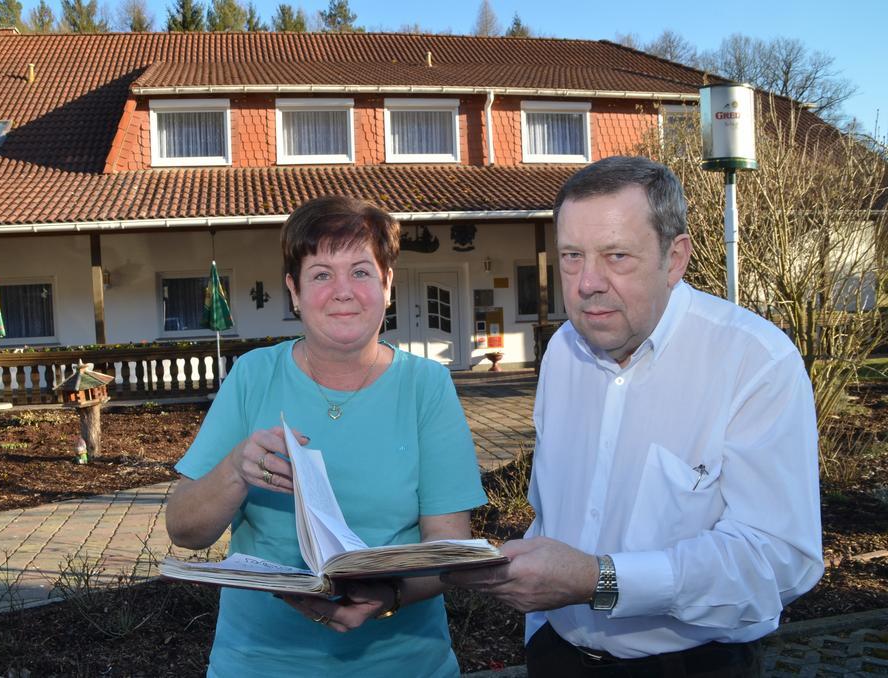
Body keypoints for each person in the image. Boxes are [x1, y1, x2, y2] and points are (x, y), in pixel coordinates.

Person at [446, 156, 823, 676]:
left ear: (675, 258)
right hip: (556, 654)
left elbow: (779, 561)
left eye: (616, 256)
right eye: (572, 256)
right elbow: (551, 511)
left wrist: (600, 580)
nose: (586, 283)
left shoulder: (754, 361)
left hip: (692, 665)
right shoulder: (562, 352)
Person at [165, 195, 487, 678]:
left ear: (387, 284)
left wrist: (391, 594)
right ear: (294, 291)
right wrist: (235, 469)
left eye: (360, 271)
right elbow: (184, 530)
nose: (343, 291)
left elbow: (448, 545)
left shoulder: (426, 385)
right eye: (321, 274)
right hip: (259, 661)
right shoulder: (254, 375)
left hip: (405, 664)